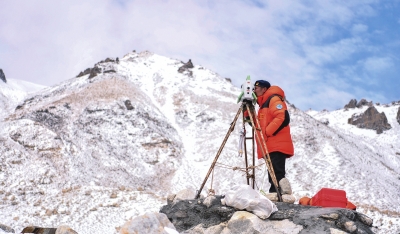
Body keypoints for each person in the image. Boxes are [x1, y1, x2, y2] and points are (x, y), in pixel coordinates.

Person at [252, 80, 294, 196]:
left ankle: (280, 194)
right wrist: (247, 111)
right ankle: (275, 193)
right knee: (273, 172)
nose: (254, 91)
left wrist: (267, 132)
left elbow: (283, 116)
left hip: (276, 143)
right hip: (270, 144)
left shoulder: (273, 99)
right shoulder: (263, 106)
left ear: (264, 89)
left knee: (277, 171)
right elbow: (256, 126)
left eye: (257, 88)